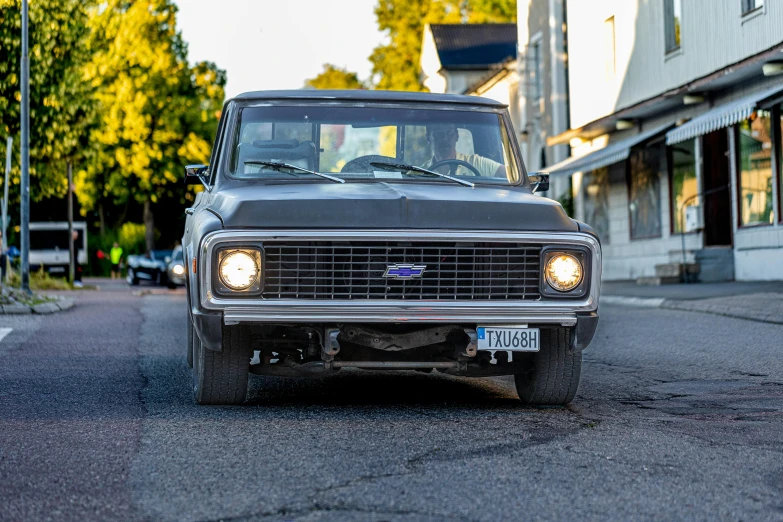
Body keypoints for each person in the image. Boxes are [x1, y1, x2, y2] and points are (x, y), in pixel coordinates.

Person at [421, 123, 507, 178]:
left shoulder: (476, 163)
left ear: (457, 136)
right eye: (438, 133)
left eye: (449, 132)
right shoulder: (419, 172)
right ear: (428, 138)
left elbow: (510, 175)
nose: (445, 138)